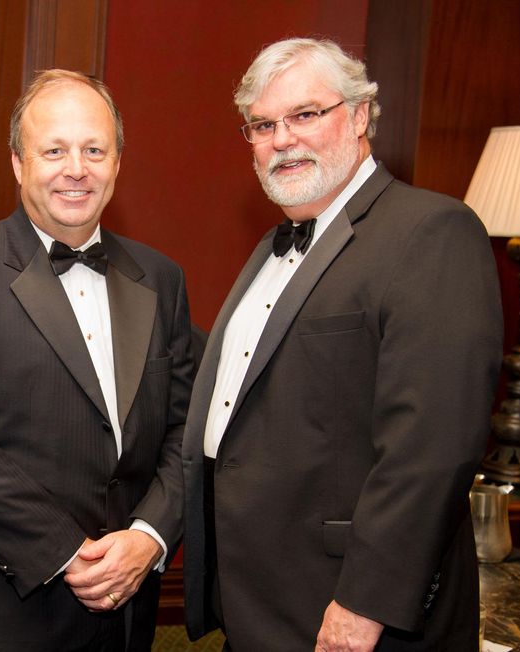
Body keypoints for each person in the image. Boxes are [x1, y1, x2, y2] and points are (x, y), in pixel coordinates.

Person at [182, 38, 503, 651]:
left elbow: (431, 448)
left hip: (353, 612)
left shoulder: (431, 231)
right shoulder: (271, 250)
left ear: (359, 117)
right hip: (260, 603)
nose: (282, 139)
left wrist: (364, 603)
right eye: (263, 124)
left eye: (305, 114)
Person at [0, 69, 194, 652]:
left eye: (94, 150)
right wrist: (67, 553)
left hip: (128, 611)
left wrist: (149, 536)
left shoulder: (161, 277)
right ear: (18, 163)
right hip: (6, 612)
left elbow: (185, 428)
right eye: (53, 150)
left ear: (118, 162)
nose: (76, 169)